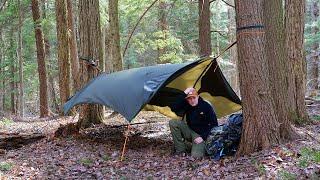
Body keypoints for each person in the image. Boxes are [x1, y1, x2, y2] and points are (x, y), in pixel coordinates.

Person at [169, 87, 218, 158]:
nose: (192, 100)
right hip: (190, 130)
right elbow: (173, 107)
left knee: (196, 156)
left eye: (194, 98)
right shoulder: (188, 105)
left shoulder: (206, 106)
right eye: (189, 98)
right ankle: (180, 150)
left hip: (201, 134)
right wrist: (184, 93)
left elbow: (214, 125)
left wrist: (203, 137)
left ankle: (187, 145)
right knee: (173, 122)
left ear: (198, 97)